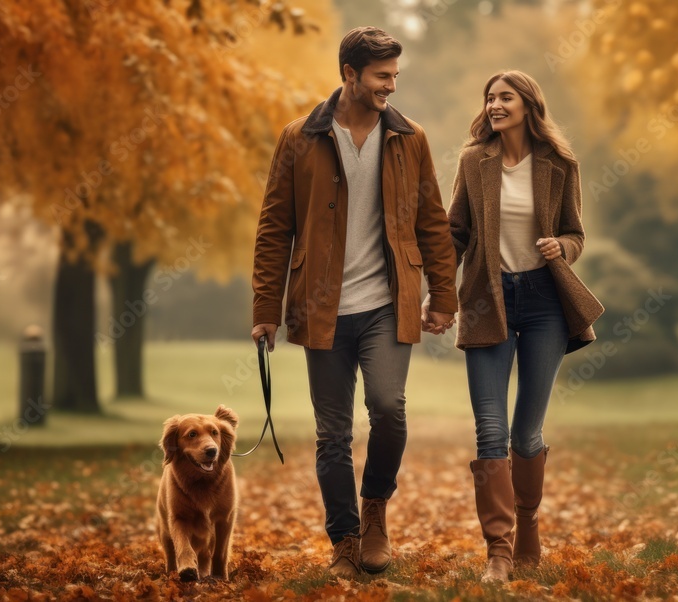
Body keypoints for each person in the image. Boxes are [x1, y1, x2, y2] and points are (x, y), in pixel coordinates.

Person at [251, 26, 458, 578]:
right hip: (322, 308)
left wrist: (444, 296)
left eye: (395, 75)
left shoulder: (409, 137)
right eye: (381, 76)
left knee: (389, 409)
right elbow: (275, 228)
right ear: (349, 75)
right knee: (333, 432)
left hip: (389, 303)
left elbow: (432, 222)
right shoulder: (299, 137)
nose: (391, 85)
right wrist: (265, 311)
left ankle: (375, 510)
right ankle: (344, 539)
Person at [425, 70, 603, 583]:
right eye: (490, 98)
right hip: (488, 300)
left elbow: (575, 232)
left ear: (528, 105)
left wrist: (562, 248)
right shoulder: (472, 162)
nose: (495, 104)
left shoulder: (560, 164)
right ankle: (498, 551)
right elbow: (456, 233)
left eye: (505, 97)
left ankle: (527, 521)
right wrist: (439, 293)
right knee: (490, 429)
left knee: (526, 434)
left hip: (546, 301)